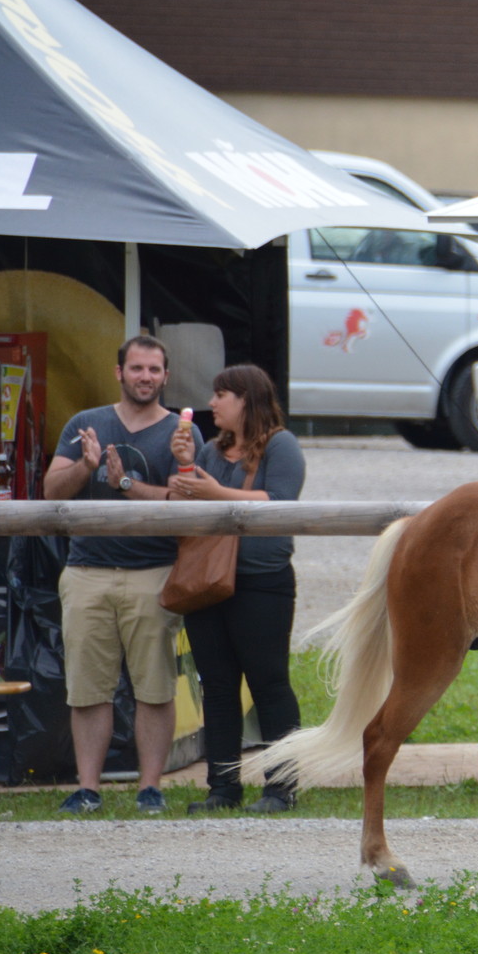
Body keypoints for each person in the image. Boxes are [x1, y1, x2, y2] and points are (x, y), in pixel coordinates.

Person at [42, 334, 203, 816]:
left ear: (166, 377)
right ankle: (88, 789)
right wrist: (86, 467)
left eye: (154, 370)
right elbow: (51, 490)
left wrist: (127, 483)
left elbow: (189, 500)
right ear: (119, 373)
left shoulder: (182, 433)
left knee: (154, 688)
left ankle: (149, 788)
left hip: (154, 573)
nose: (145, 378)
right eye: (137, 369)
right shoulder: (85, 424)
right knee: (88, 688)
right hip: (86, 571)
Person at [168, 364, 306, 813]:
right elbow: (191, 504)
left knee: (269, 682)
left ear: (245, 399)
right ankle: (222, 788)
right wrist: (185, 465)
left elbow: (281, 503)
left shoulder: (282, 446)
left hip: (262, 582)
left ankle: (282, 787)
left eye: (221, 394)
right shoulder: (211, 451)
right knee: (219, 686)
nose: (213, 403)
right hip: (210, 582)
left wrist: (212, 492)